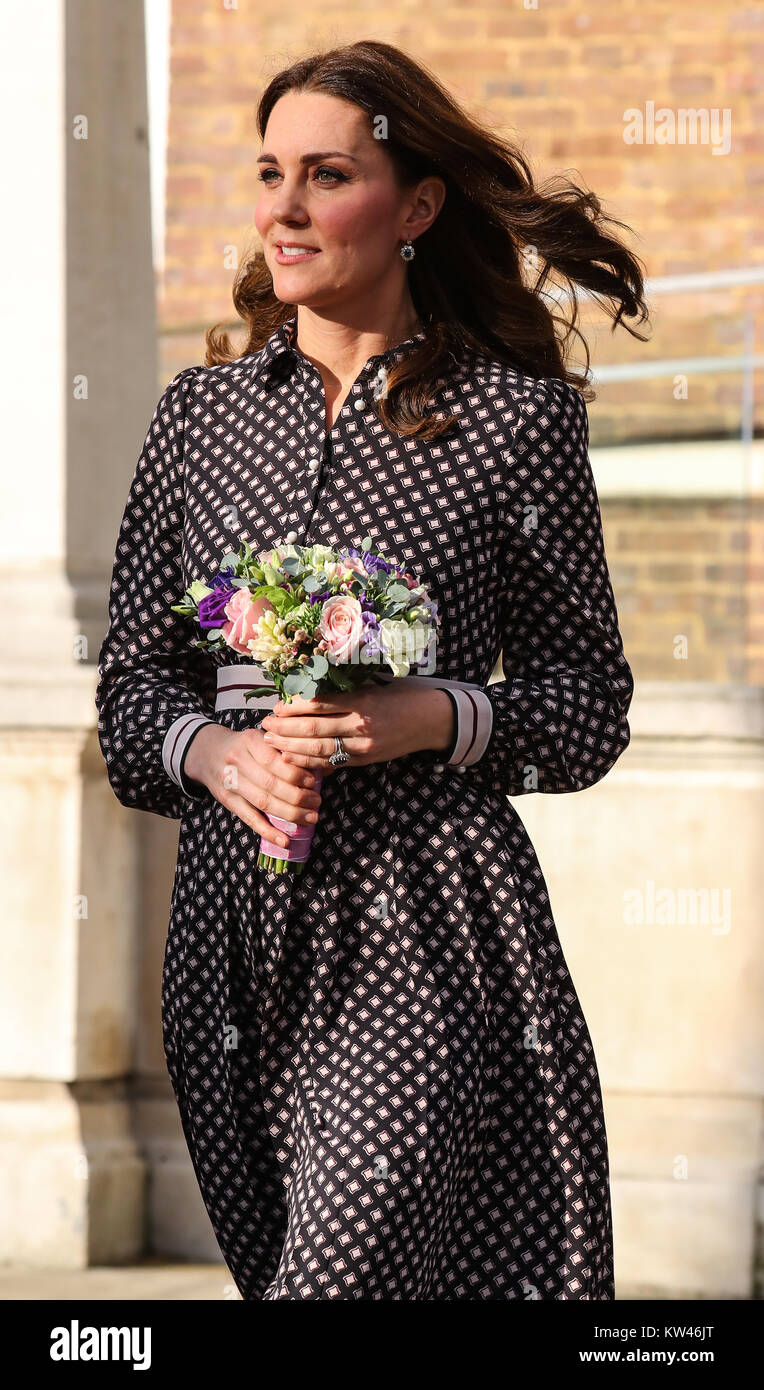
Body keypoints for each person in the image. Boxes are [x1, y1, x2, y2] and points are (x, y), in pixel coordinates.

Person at [95, 38, 645, 1300]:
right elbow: (132, 694)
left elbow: (585, 704)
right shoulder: (200, 415)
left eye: (325, 175)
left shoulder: (512, 418)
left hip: (425, 917)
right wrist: (219, 753)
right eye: (268, 172)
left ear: (415, 205)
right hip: (228, 933)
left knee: (334, 1274)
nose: (282, 208)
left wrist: (427, 718)